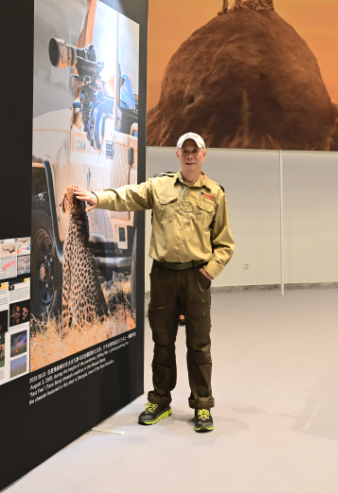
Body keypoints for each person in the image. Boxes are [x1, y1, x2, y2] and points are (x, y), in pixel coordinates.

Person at [75, 132, 234, 433]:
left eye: (194, 150)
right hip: (162, 276)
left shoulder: (215, 194)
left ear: (204, 155)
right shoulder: (159, 186)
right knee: (163, 342)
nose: (189, 155)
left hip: (196, 277)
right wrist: (99, 198)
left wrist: (208, 272)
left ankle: (202, 406)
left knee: (199, 344)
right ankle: (160, 400)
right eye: (184, 150)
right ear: (177, 154)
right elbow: (129, 196)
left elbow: (225, 243)